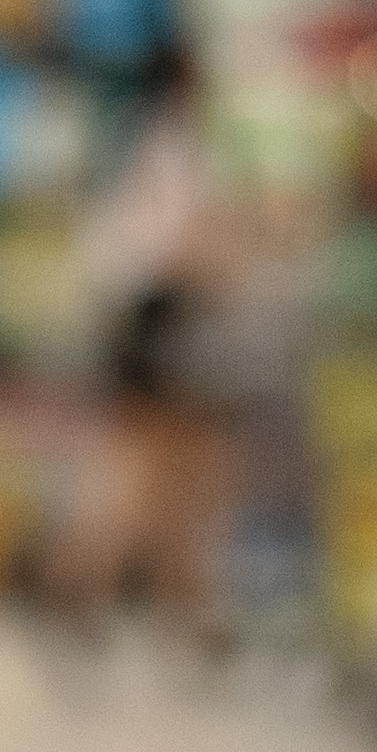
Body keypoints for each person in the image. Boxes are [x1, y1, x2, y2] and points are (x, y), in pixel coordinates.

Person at [42, 60, 236, 652]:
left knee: (180, 470)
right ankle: (87, 590)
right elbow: (181, 244)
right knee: (156, 467)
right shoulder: (173, 151)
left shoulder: (132, 148)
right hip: (163, 321)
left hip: (147, 321)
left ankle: (181, 608)